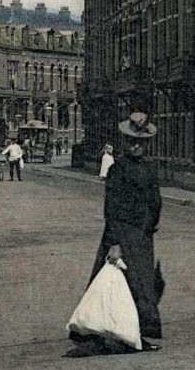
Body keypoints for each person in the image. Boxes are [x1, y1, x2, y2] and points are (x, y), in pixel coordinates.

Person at [70, 112, 163, 353]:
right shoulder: (118, 169)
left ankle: (138, 335)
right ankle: (93, 335)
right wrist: (114, 243)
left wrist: (152, 223)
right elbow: (111, 208)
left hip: (143, 237)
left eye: (140, 141)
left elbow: (154, 199)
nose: (136, 145)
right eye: (132, 141)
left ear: (147, 143)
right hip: (121, 233)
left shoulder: (151, 168)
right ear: (124, 142)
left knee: (142, 286)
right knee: (112, 284)